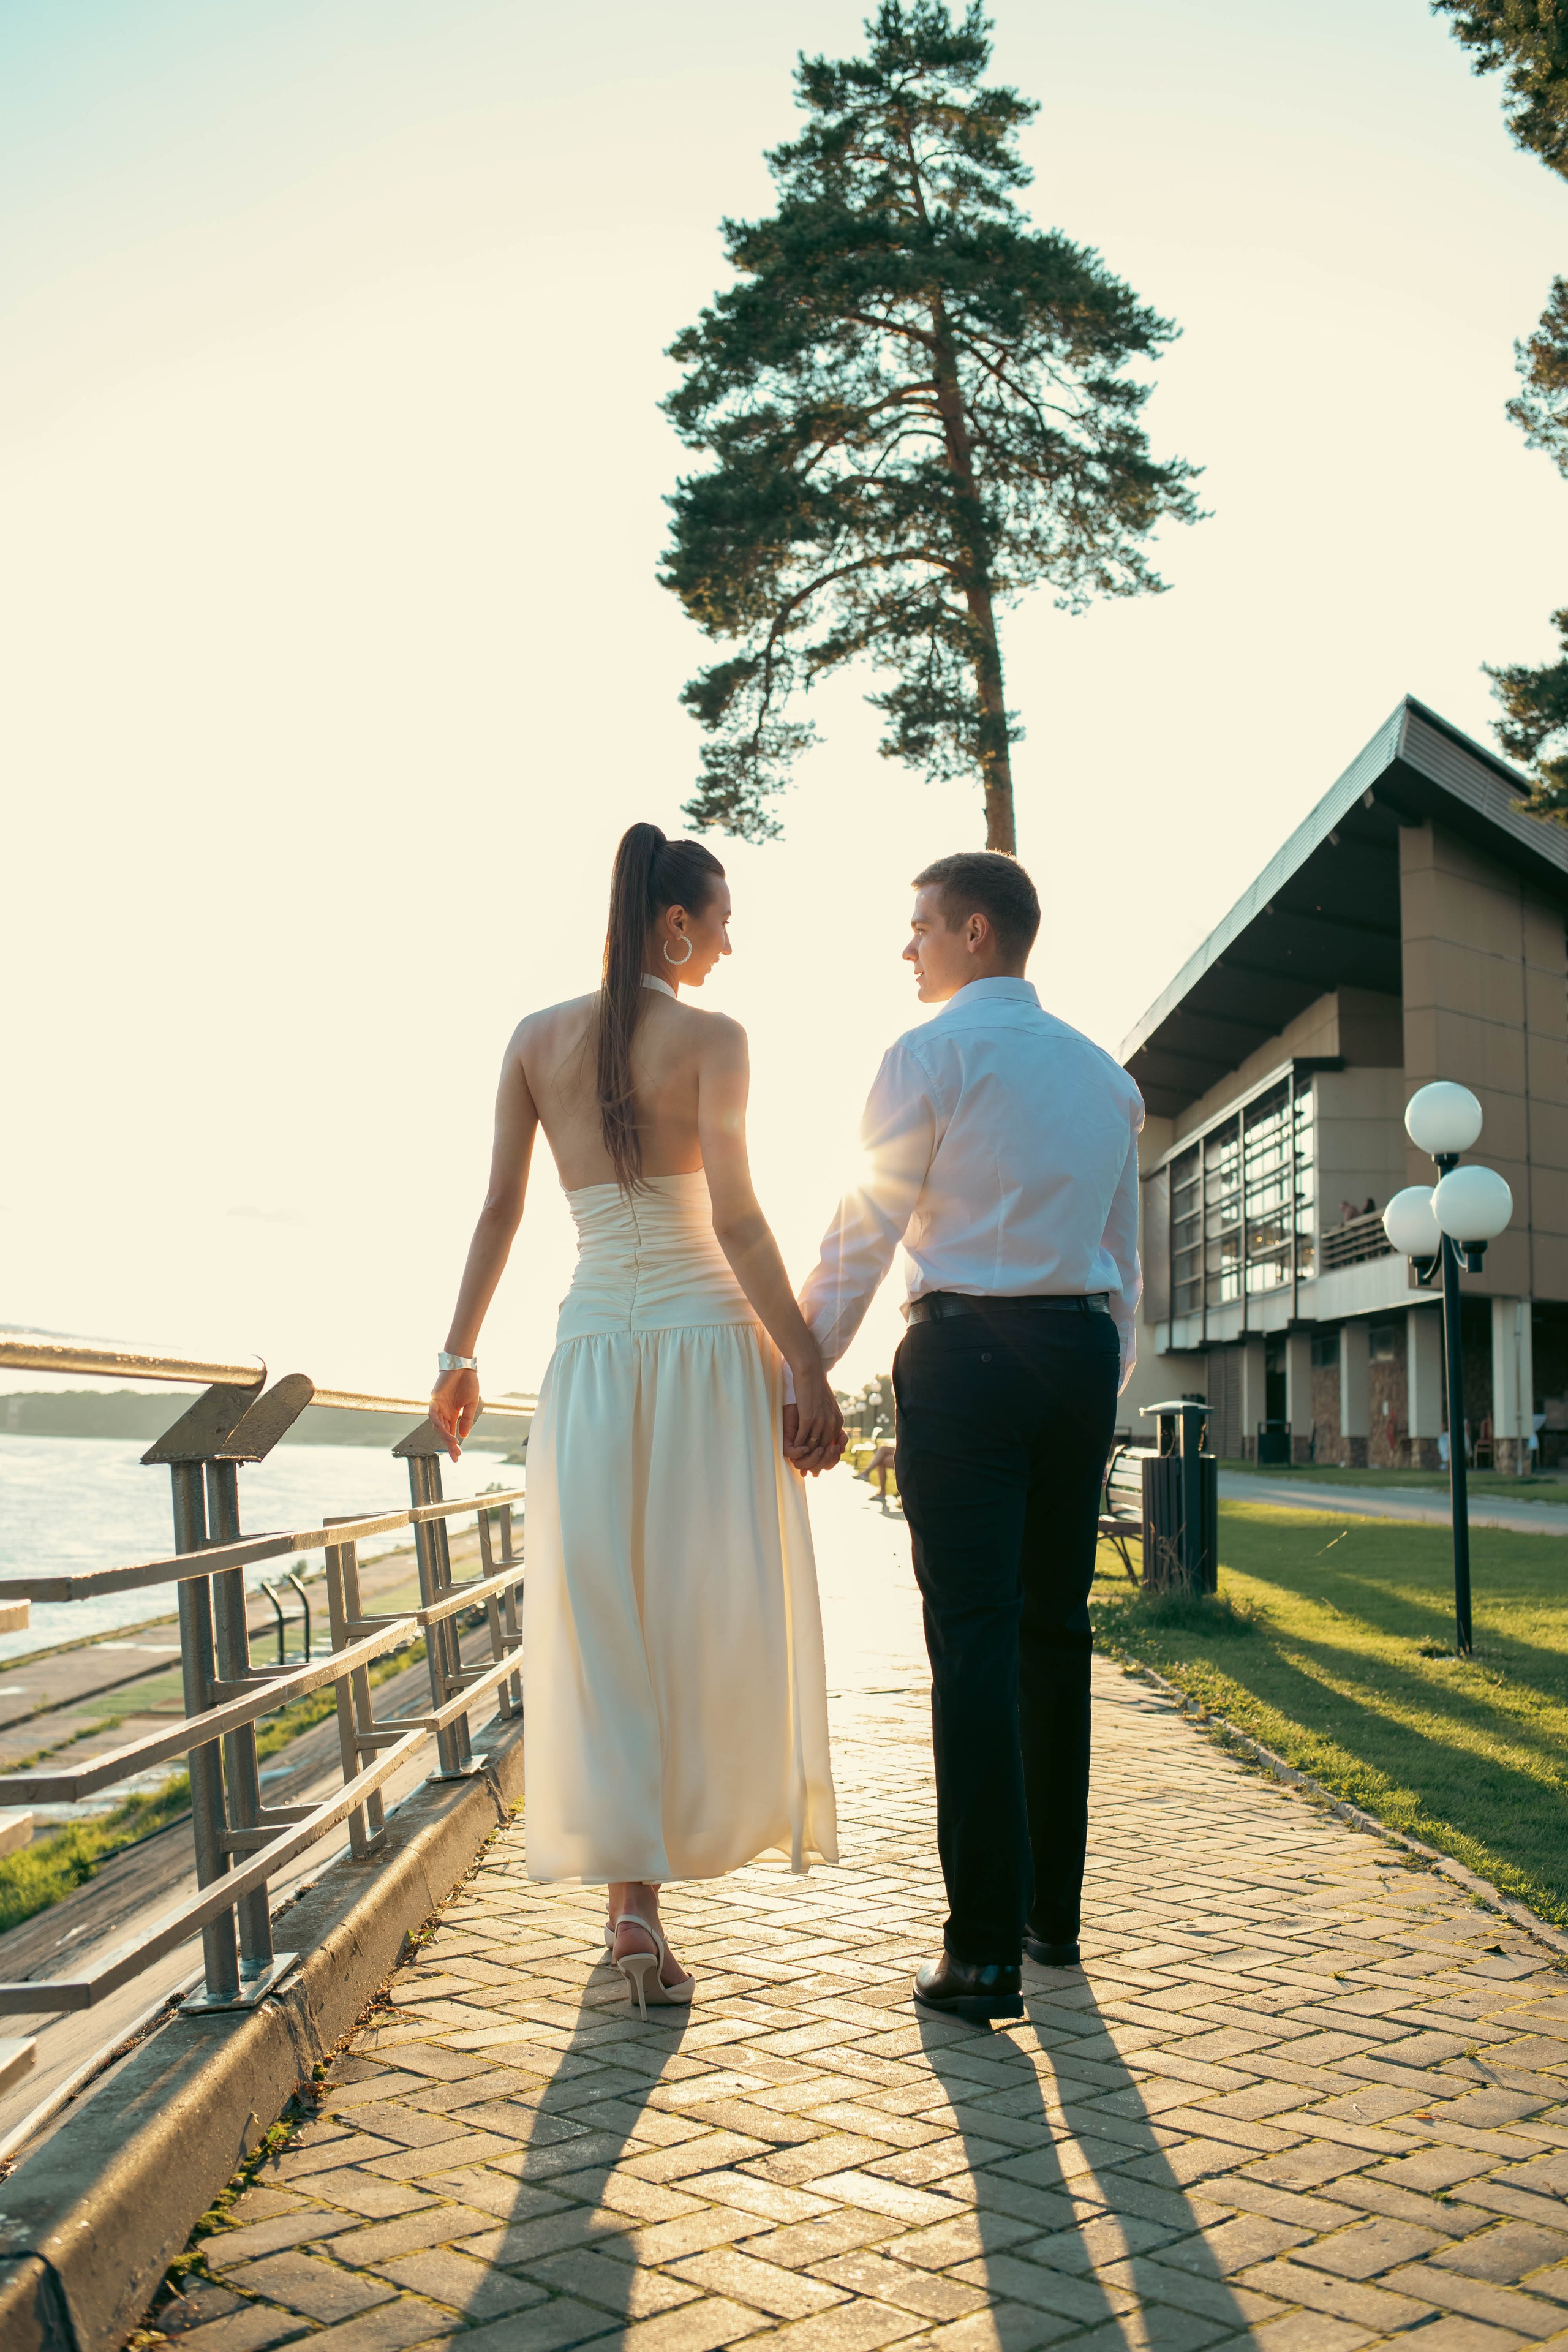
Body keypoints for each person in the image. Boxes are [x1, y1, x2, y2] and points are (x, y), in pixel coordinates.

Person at [429, 823, 841, 2017]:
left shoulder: (532, 1041)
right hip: (708, 1355)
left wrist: (458, 1354)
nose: (730, 941)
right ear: (675, 924)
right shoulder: (713, 1039)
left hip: (591, 1358)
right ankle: (645, 1902)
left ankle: (630, 1909)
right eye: (721, 918)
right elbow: (741, 1223)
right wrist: (803, 1366)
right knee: (695, 1623)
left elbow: (501, 1210)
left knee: (606, 1629)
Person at [791, 851, 1142, 2024]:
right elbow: (1123, 1265)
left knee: (976, 1644)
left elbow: (864, 1228)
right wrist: (1099, 1378)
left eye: (922, 929)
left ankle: (984, 1952)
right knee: (1056, 1632)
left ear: (978, 932)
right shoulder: (1107, 1078)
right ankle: (1054, 1921)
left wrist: (805, 1368)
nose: (909, 950)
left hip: (965, 1358)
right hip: (1078, 1360)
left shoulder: (926, 1056)